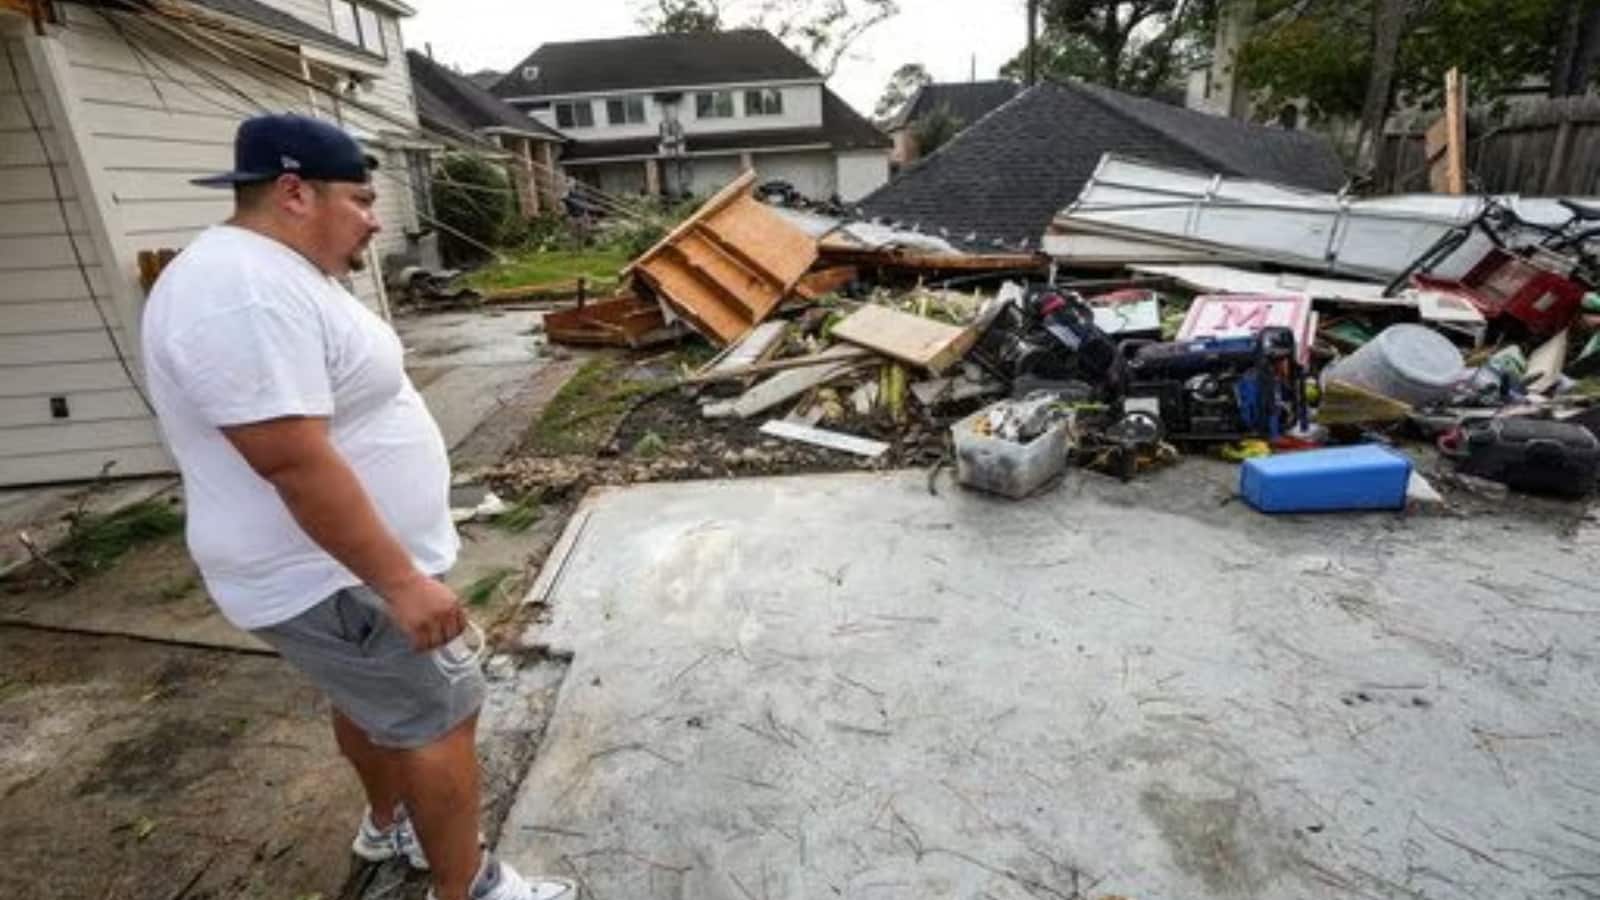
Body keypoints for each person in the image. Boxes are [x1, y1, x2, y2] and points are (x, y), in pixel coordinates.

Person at [140, 114, 575, 900]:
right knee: (442, 716)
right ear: (295, 191)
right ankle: (470, 886)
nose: (376, 219)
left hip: (338, 571)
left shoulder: (276, 272)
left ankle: (392, 821)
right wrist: (401, 582)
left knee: (374, 705)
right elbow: (292, 462)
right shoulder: (241, 291)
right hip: (333, 578)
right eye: (362, 198)